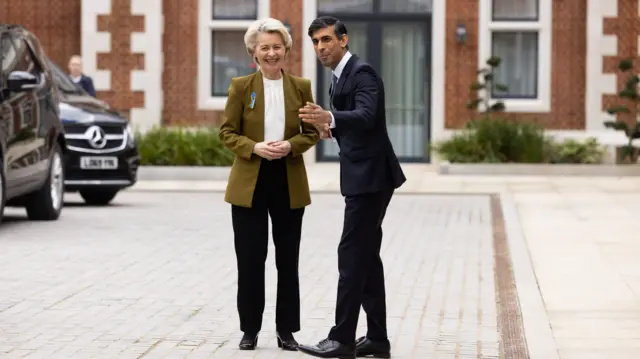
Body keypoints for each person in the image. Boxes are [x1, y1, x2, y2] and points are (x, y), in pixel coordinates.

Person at [296, 16, 407, 359]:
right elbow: (355, 123)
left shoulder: (362, 73)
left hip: (372, 178)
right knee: (367, 258)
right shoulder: (339, 77)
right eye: (315, 41)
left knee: (351, 255)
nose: (320, 47)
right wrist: (331, 127)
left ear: (343, 40)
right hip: (362, 176)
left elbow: (367, 115)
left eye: (327, 39)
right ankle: (377, 339)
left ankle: (341, 339)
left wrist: (330, 118)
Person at [218, 17, 319, 352]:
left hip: (288, 180)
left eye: (277, 46)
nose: (272, 52)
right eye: (265, 47)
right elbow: (227, 132)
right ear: (254, 52)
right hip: (250, 181)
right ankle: (250, 329)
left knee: (287, 260)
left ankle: (286, 331)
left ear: (286, 50)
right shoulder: (240, 86)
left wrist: (291, 145)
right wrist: (254, 147)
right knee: (250, 259)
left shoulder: (301, 86)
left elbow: (311, 133)